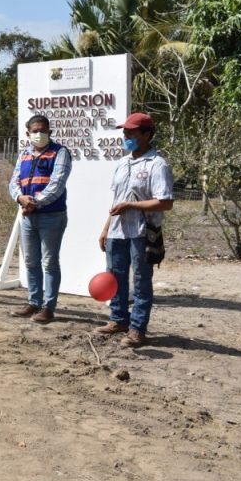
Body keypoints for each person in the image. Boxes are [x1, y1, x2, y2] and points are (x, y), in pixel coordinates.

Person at [97, 112, 174, 347]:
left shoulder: (157, 164)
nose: (126, 135)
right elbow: (116, 201)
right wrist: (105, 229)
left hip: (142, 232)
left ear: (147, 134)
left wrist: (132, 205)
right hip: (117, 231)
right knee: (115, 276)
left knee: (141, 280)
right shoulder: (122, 163)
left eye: (131, 132)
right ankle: (118, 318)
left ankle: (138, 328)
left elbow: (166, 202)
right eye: (125, 132)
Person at [8, 114, 72, 323]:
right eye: (35, 131)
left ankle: (48, 307)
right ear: (28, 133)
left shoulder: (60, 153)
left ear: (50, 132)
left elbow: (57, 183)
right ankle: (34, 302)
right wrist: (20, 197)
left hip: (51, 216)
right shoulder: (24, 155)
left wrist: (33, 203)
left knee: (50, 262)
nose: (39, 134)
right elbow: (14, 182)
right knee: (30, 261)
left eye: (43, 130)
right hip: (27, 217)